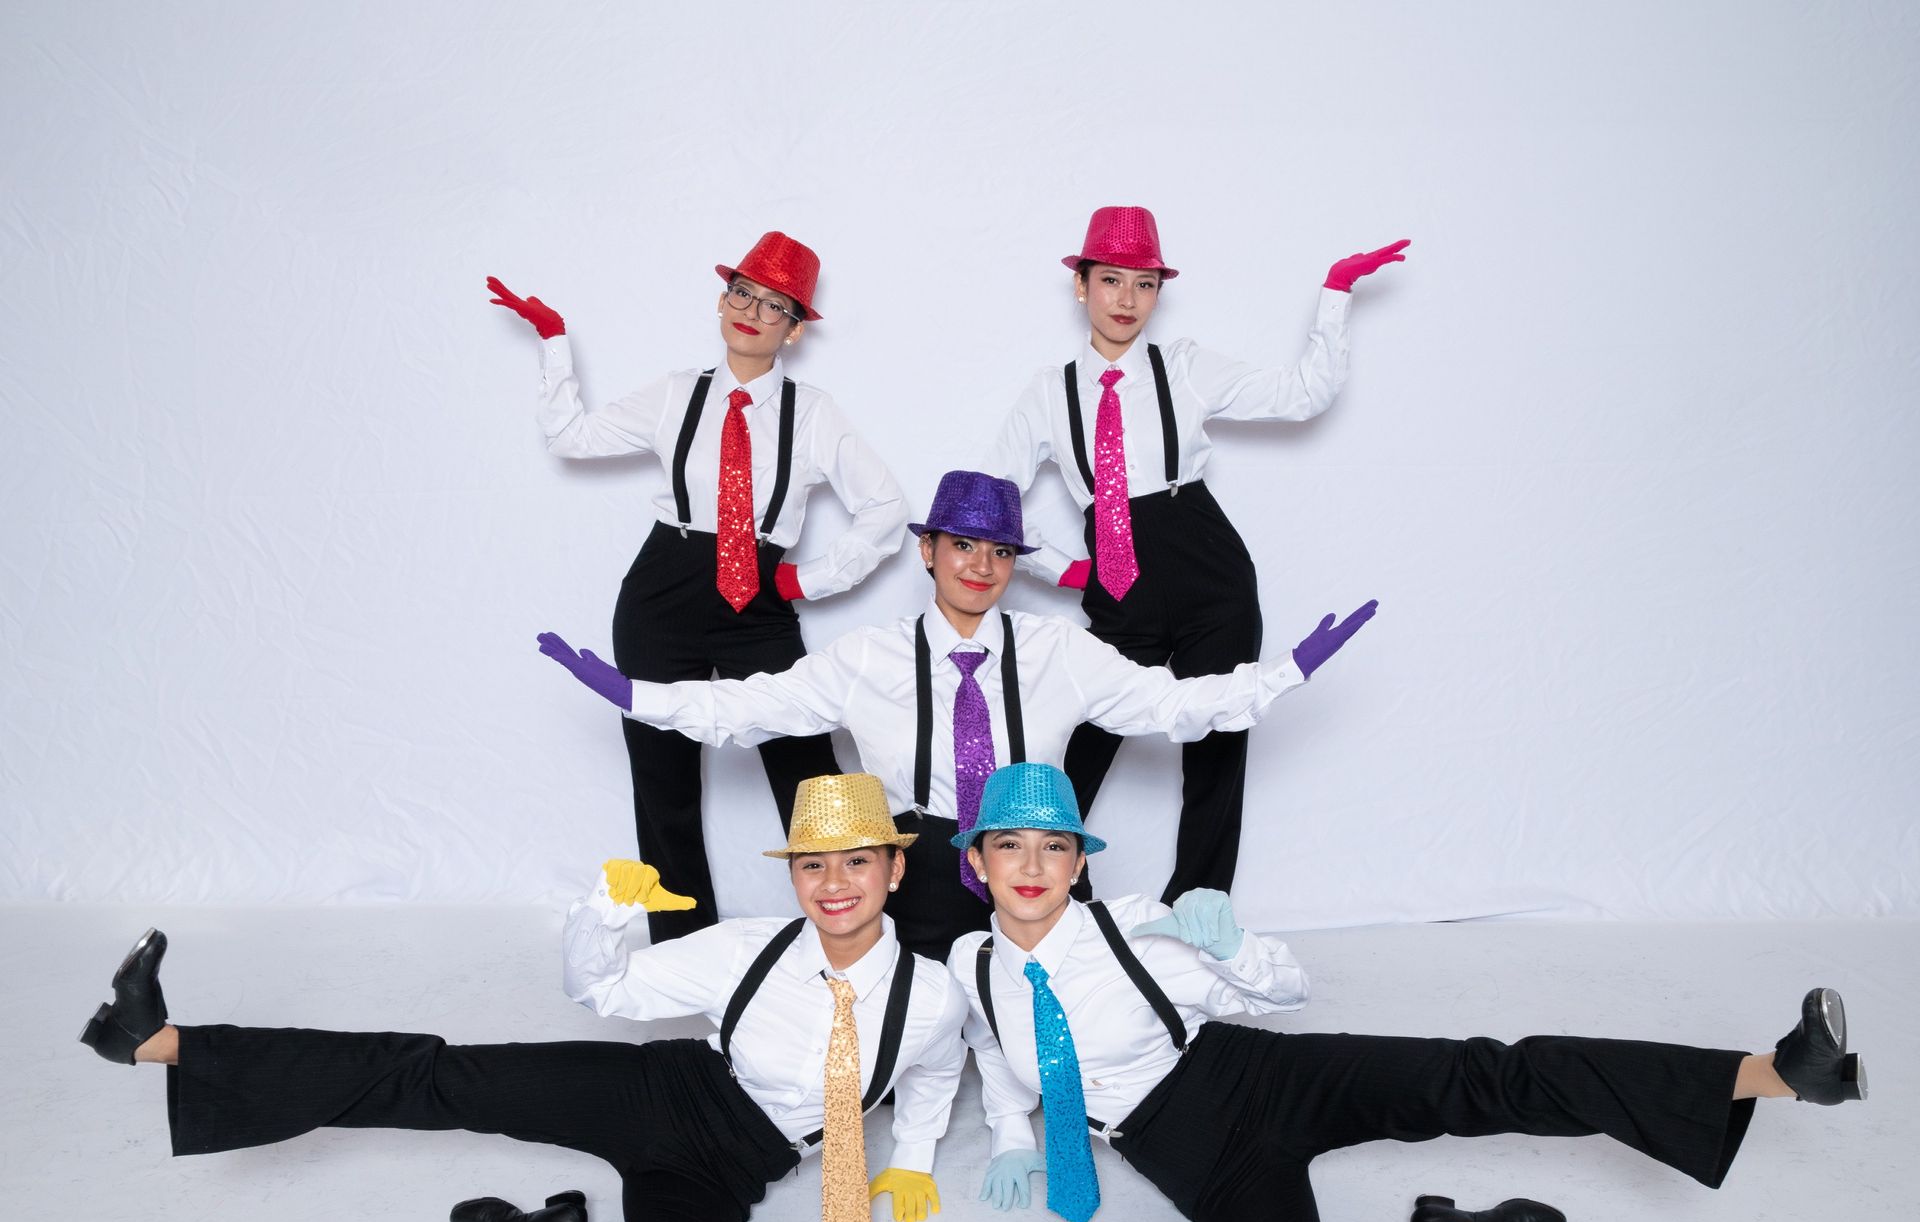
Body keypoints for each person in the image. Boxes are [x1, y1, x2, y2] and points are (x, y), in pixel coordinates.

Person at [947, 762, 1868, 1222]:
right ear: (978, 863)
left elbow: (1286, 989)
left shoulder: (1141, 928)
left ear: (1077, 862)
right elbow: (995, 1042)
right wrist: (1007, 1136)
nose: (1032, 863)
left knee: (1483, 1074)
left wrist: (1228, 947)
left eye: (1054, 845)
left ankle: (1779, 1070)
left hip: (1253, 1074)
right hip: (1195, 1158)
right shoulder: (968, 962)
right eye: (1010, 845)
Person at [77, 774, 967, 1222]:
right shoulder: (746, 947)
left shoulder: (933, 996)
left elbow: (927, 1073)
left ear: (893, 869)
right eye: (813, 864)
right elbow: (604, 992)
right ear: (795, 876)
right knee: (438, 1075)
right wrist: (605, 910)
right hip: (661, 1088)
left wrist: (916, 1158)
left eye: (857, 861)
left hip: (726, 1167)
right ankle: (159, 1040)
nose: (834, 882)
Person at [536, 470, 1376, 959]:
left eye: (1001, 550)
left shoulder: (1060, 651)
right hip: (921, 866)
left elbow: (1177, 708)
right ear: (928, 550)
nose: (982, 565)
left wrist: (1285, 673)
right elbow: (748, 707)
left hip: (1036, 858)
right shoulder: (868, 656)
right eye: (964, 546)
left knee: (1089, 1045)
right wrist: (634, 694)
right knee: (891, 1052)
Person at [979, 206, 1408, 905]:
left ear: (1157, 292)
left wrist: (1335, 294)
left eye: (1143, 284)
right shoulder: (1048, 393)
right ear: (1081, 286)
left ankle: (1197, 914)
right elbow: (993, 502)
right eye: (1111, 280)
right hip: (1118, 585)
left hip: (1209, 573)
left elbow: (1304, 396)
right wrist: (1064, 568)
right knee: (1081, 738)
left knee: (1216, 748)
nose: (1126, 299)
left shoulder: (1183, 367)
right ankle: (1046, 900)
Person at [488, 233, 910, 943]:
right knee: (663, 778)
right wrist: (554, 341)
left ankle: (864, 935)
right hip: (666, 588)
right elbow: (571, 438)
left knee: (807, 767)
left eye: (773, 304)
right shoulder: (676, 394)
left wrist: (805, 579)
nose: (752, 310)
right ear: (722, 301)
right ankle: (681, 948)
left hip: (761, 601)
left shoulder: (813, 412)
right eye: (742, 293)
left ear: (794, 326)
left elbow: (887, 507)